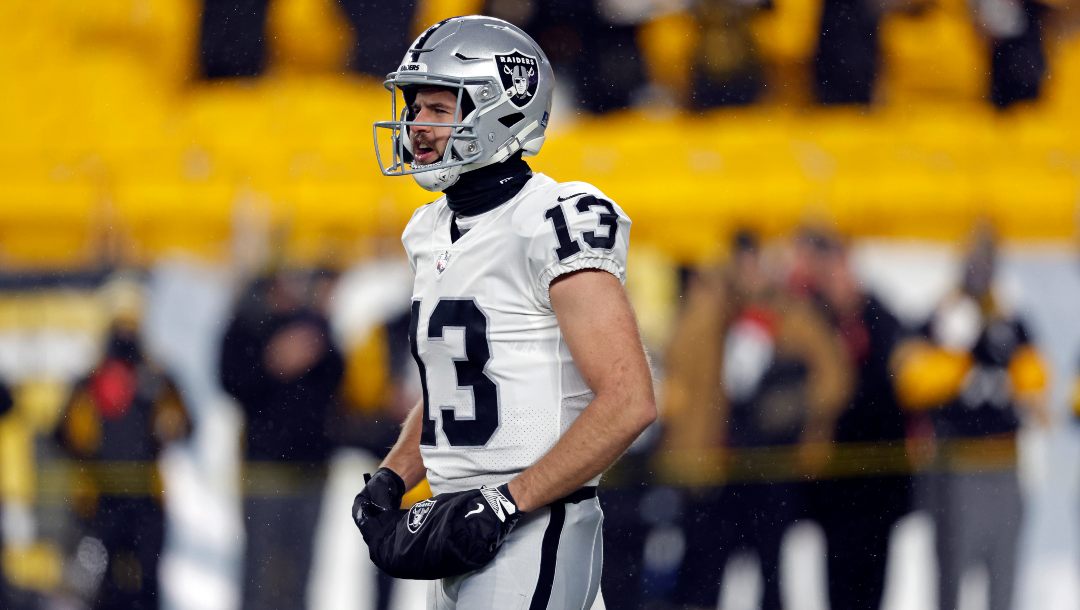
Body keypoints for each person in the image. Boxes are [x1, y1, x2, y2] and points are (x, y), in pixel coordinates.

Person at [354, 15, 656, 609]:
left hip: (534, 521)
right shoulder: (432, 229)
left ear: (501, 108)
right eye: (415, 107)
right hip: (460, 519)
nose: (416, 126)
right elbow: (461, 383)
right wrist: (393, 475)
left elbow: (629, 399)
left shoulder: (553, 218)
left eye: (438, 109)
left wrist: (506, 500)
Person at [660, 231, 851, 610]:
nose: (749, 270)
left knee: (770, 572)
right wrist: (712, 300)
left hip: (769, 467)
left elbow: (834, 378)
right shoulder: (711, 310)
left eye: (755, 259)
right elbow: (679, 360)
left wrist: (795, 402)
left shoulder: (791, 313)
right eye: (741, 260)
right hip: (713, 466)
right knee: (703, 573)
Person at [892, 225, 1050, 610]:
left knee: (1002, 581)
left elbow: (1037, 391)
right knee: (951, 580)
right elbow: (910, 380)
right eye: (974, 260)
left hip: (1003, 466)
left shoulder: (1011, 324)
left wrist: (1000, 358)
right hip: (955, 469)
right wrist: (959, 358)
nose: (980, 271)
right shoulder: (940, 320)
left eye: (987, 261)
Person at [53, 275, 193, 609]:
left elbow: (186, 426)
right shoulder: (89, 381)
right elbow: (63, 436)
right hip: (100, 500)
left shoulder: (157, 378)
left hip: (146, 497)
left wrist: (167, 422)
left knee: (146, 586)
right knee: (102, 589)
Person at [790, 229, 912, 610]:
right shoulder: (813, 320)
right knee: (839, 582)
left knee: (874, 583)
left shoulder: (881, 318)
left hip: (879, 482)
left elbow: (899, 384)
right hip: (835, 484)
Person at [218, 266, 346, 610]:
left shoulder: (315, 325)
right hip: (267, 469)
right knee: (262, 567)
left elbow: (337, 383)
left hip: (310, 469)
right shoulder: (249, 323)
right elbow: (230, 380)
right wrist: (271, 362)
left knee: (299, 568)